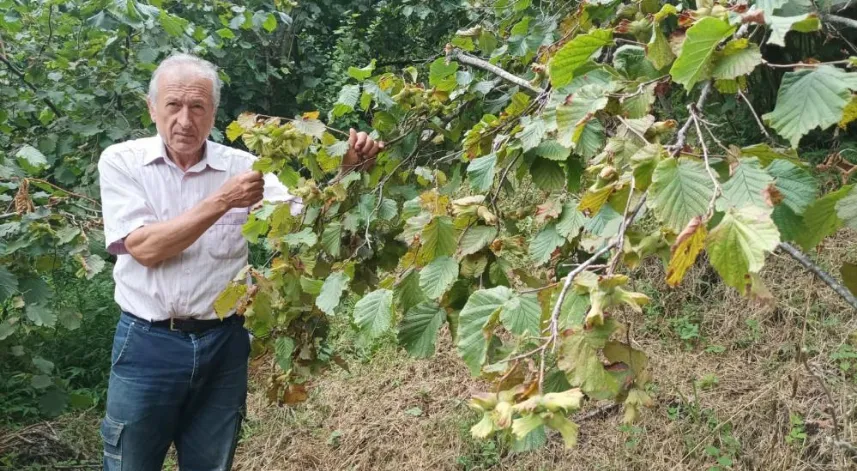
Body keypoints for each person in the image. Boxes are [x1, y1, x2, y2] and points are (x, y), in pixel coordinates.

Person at [97, 52, 383, 470]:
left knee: (211, 463)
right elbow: (146, 248)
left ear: (213, 112)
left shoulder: (244, 167)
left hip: (224, 344)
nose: (185, 120)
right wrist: (223, 200)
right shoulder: (123, 162)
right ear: (152, 108)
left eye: (198, 107)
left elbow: (310, 216)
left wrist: (350, 171)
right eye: (173, 105)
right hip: (147, 345)